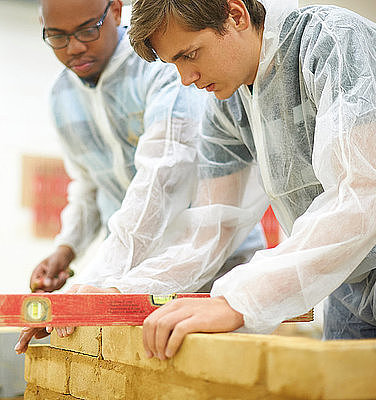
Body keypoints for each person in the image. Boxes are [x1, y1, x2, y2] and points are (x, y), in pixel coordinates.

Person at [126, 0, 376, 360]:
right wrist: (118, 291)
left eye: (190, 54)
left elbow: (362, 194)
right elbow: (212, 230)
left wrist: (239, 301)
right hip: (345, 276)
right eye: (175, 63)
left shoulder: (332, 42)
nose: (186, 78)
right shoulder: (228, 104)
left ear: (235, 15)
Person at [15, 0, 265, 354]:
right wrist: (67, 249)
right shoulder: (63, 96)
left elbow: (162, 179)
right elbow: (88, 184)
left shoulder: (165, 63)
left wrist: (91, 286)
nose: (74, 47)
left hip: (218, 266)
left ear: (116, 11)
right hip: (134, 277)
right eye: (56, 36)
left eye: (87, 30)